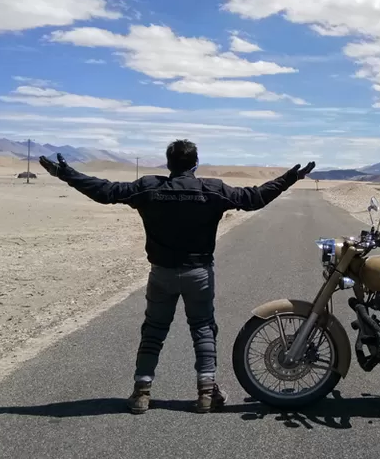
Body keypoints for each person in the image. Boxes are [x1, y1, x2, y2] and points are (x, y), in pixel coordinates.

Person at [39, 140, 315, 415]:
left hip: (162, 273)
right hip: (199, 274)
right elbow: (255, 198)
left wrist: (66, 173)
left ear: (168, 164)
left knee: (154, 330)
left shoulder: (148, 187)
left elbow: (105, 191)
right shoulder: (212, 189)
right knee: (203, 328)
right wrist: (290, 177)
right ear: (196, 163)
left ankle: (141, 393)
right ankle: (206, 393)